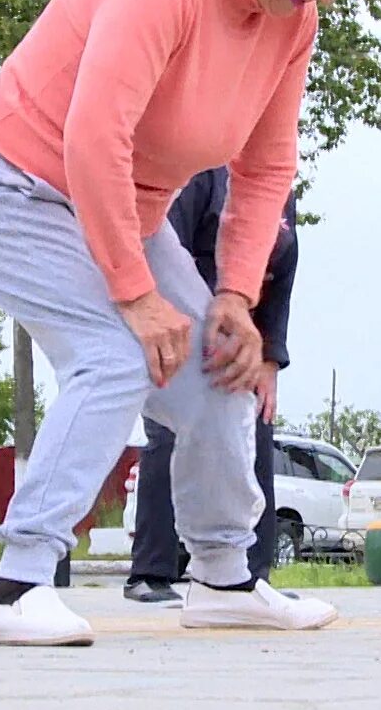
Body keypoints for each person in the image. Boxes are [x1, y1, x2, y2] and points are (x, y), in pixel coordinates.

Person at [0, 0, 381, 646]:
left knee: (226, 367)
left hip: (127, 208)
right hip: (8, 182)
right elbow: (93, 137)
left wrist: (235, 299)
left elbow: (266, 166)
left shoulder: (294, 25)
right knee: (114, 356)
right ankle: (16, 588)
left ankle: (223, 577)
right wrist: (136, 294)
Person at [124, 168, 296, 605]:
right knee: (170, 433)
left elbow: (284, 267)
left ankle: (247, 575)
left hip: (244, 330)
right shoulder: (200, 171)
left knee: (254, 429)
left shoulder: (277, 180)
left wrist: (271, 358)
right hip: (185, 318)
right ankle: (151, 572)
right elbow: (162, 249)